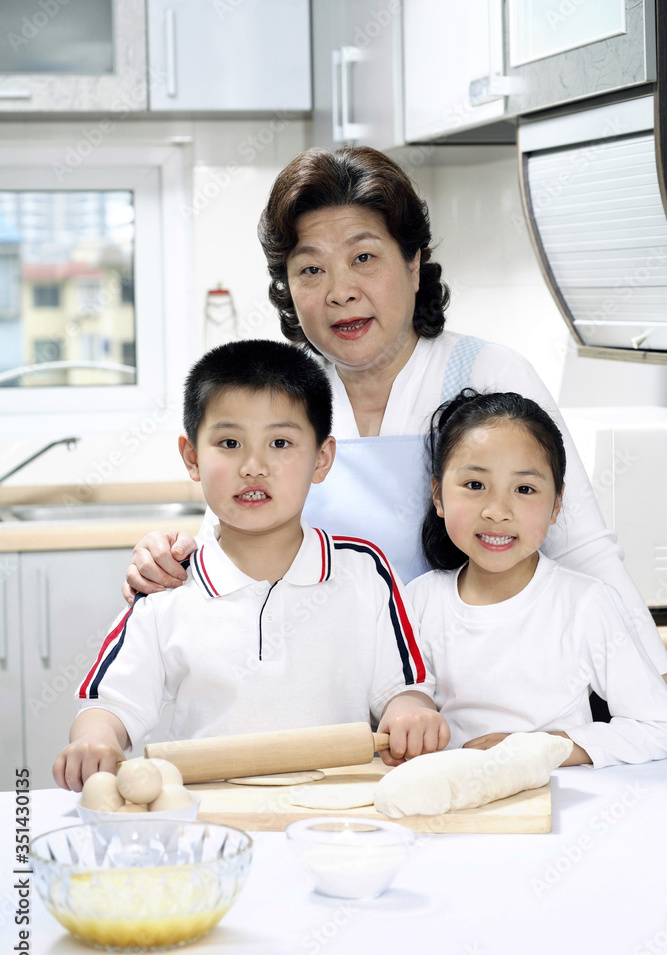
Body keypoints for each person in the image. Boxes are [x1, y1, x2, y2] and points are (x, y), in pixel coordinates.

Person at [122, 145, 667, 679]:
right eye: (310, 269)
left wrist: (655, 691)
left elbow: (584, 553)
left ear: (412, 265)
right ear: (287, 288)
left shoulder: (489, 376)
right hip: (333, 702)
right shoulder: (287, 397)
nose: (340, 292)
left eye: (363, 258)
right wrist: (169, 561)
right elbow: (227, 539)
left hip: (485, 696)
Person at [53, 340, 448, 792]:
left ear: (322, 458)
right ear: (192, 458)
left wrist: (412, 714)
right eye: (229, 443)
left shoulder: (364, 571)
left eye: (280, 442)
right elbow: (110, 704)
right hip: (208, 819)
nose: (253, 466)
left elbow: (404, 688)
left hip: (338, 815)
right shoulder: (169, 584)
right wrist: (95, 739)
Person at [408, 389, 667, 767]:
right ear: (438, 496)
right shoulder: (419, 601)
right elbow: (398, 704)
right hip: (454, 810)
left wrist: (549, 746)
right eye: (475, 485)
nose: (497, 511)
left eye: (525, 489)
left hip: (561, 809)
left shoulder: (586, 603)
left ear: (556, 505)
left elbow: (657, 725)